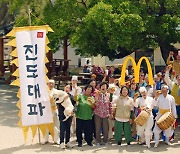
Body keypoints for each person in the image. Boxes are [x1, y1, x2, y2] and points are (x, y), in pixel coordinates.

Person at [42, 79, 60, 145]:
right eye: (50, 83)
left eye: (52, 83)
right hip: (46, 109)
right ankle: (45, 138)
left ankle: (56, 139)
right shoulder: (44, 91)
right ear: (47, 84)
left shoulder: (56, 91)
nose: (51, 85)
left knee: (56, 124)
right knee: (45, 124)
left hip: (54, 108)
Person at [56, 84, 74, 149]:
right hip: (62, 115)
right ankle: (61, 142)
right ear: (64, 88)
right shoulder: (59, 96)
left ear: (70, 90)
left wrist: (73, 111)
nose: (67, 89)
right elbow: (57, 103)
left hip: (69, 115)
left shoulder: (71, 97)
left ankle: (67, 142)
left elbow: (75, 105)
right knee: (62, 129)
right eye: (66, 87)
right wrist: (63, 99)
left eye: (69, 88)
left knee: (68, 129)